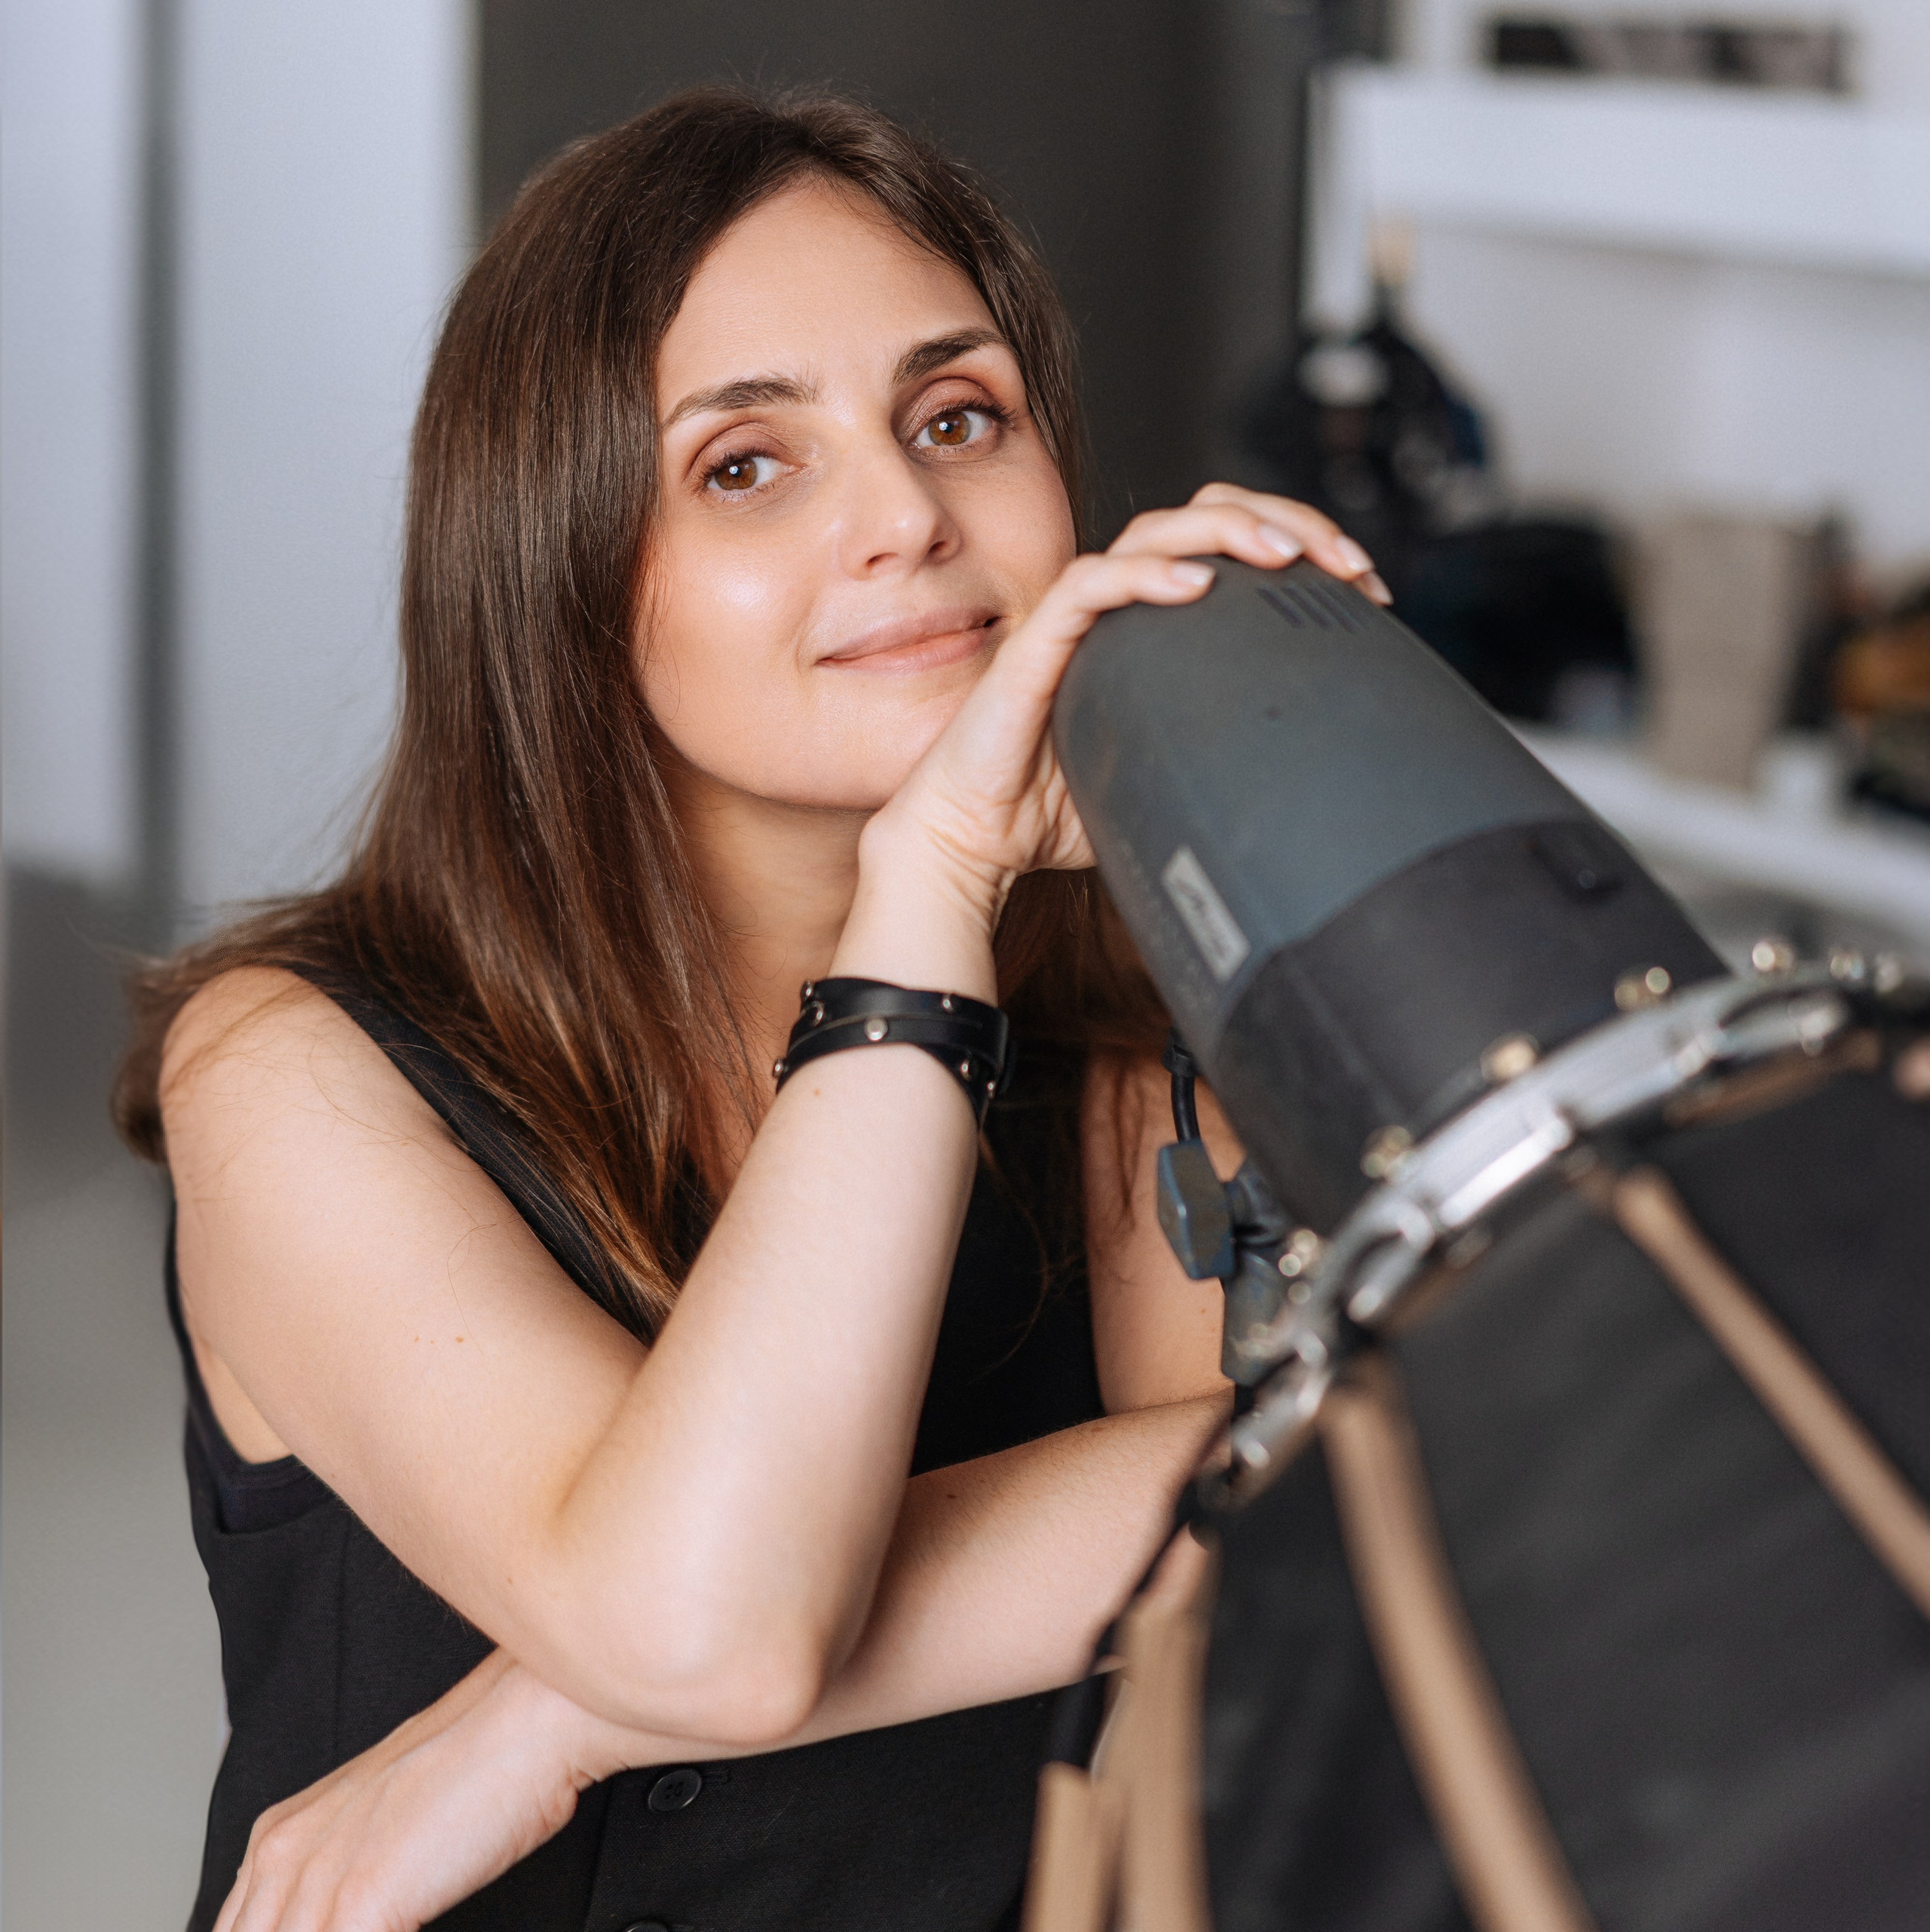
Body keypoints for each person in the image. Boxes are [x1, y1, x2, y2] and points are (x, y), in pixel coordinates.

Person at [115, 87, 1389, 1932]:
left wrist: (537, 1723)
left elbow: (1317, 1487)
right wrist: (931, 883)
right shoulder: (293, 1067)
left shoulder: (1122, 1037)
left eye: (957, 417)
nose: (905, 518)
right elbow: (704, 1630)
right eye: (743, 464)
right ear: (554, 575)